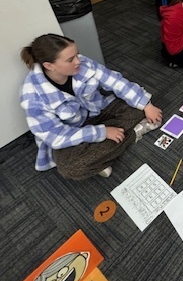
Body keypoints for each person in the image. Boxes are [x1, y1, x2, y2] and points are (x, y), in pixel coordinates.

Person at [20, 33, 163, 179]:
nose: (78, 61)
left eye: (77, 54)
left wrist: (146, 105)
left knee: (138, 107)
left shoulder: (82, 63)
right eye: (70, 60)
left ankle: (100, 156)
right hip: (74, 132)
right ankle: (132, 134)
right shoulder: (32, 96)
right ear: (49, 66)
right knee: (70, 169)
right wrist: (101, 133)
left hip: (99, 112)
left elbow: (115, 81)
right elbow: (55, 136)